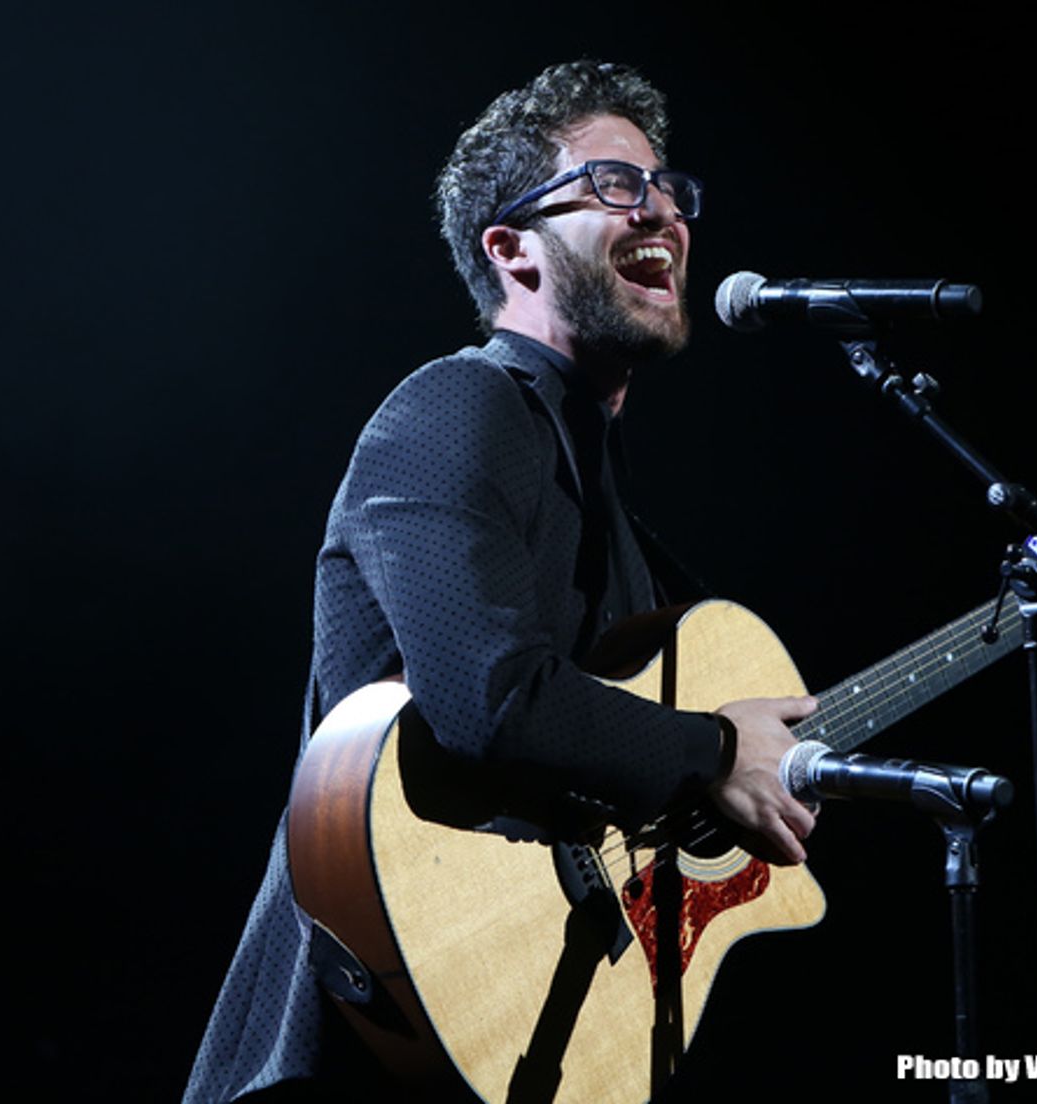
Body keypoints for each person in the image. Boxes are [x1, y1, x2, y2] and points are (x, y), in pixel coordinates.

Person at [183, 60, 817, 1103]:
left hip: (506, 1036)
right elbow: (489, 696)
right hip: (363, 1038)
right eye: (616, 184)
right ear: (509, 248)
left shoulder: (600, 499)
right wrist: (711, 749)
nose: (660, 207)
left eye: (667, 189)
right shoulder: (455, 407)